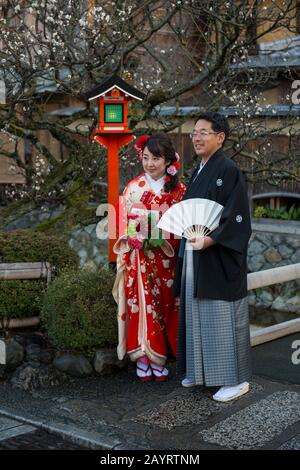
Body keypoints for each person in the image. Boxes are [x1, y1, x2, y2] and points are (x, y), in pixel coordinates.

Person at [174, 112, 252, 402]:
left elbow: (239, 218)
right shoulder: (199, 169)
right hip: (197, 253)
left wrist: (211, 239)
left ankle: (236, 380)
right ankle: (200, 372)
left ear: (220, 137)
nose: (196, 137)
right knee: (197, 313)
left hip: (219, 254)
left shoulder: (229, 169)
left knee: (221, 316)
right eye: (194, 132)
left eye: (203, 132)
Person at [113, 133, 185, 382]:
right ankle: (144, 357)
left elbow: (182, 225)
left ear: (168, 161)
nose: (150, 163)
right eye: (146, 158)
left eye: (156, 158)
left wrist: (159, 233)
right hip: (139, 258)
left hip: (167, 258)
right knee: (142, 307)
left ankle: (161, 354)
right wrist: (133, 236)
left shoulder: (178, 190)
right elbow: (123, 223)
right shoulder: (133, 187)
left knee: (166, 306)